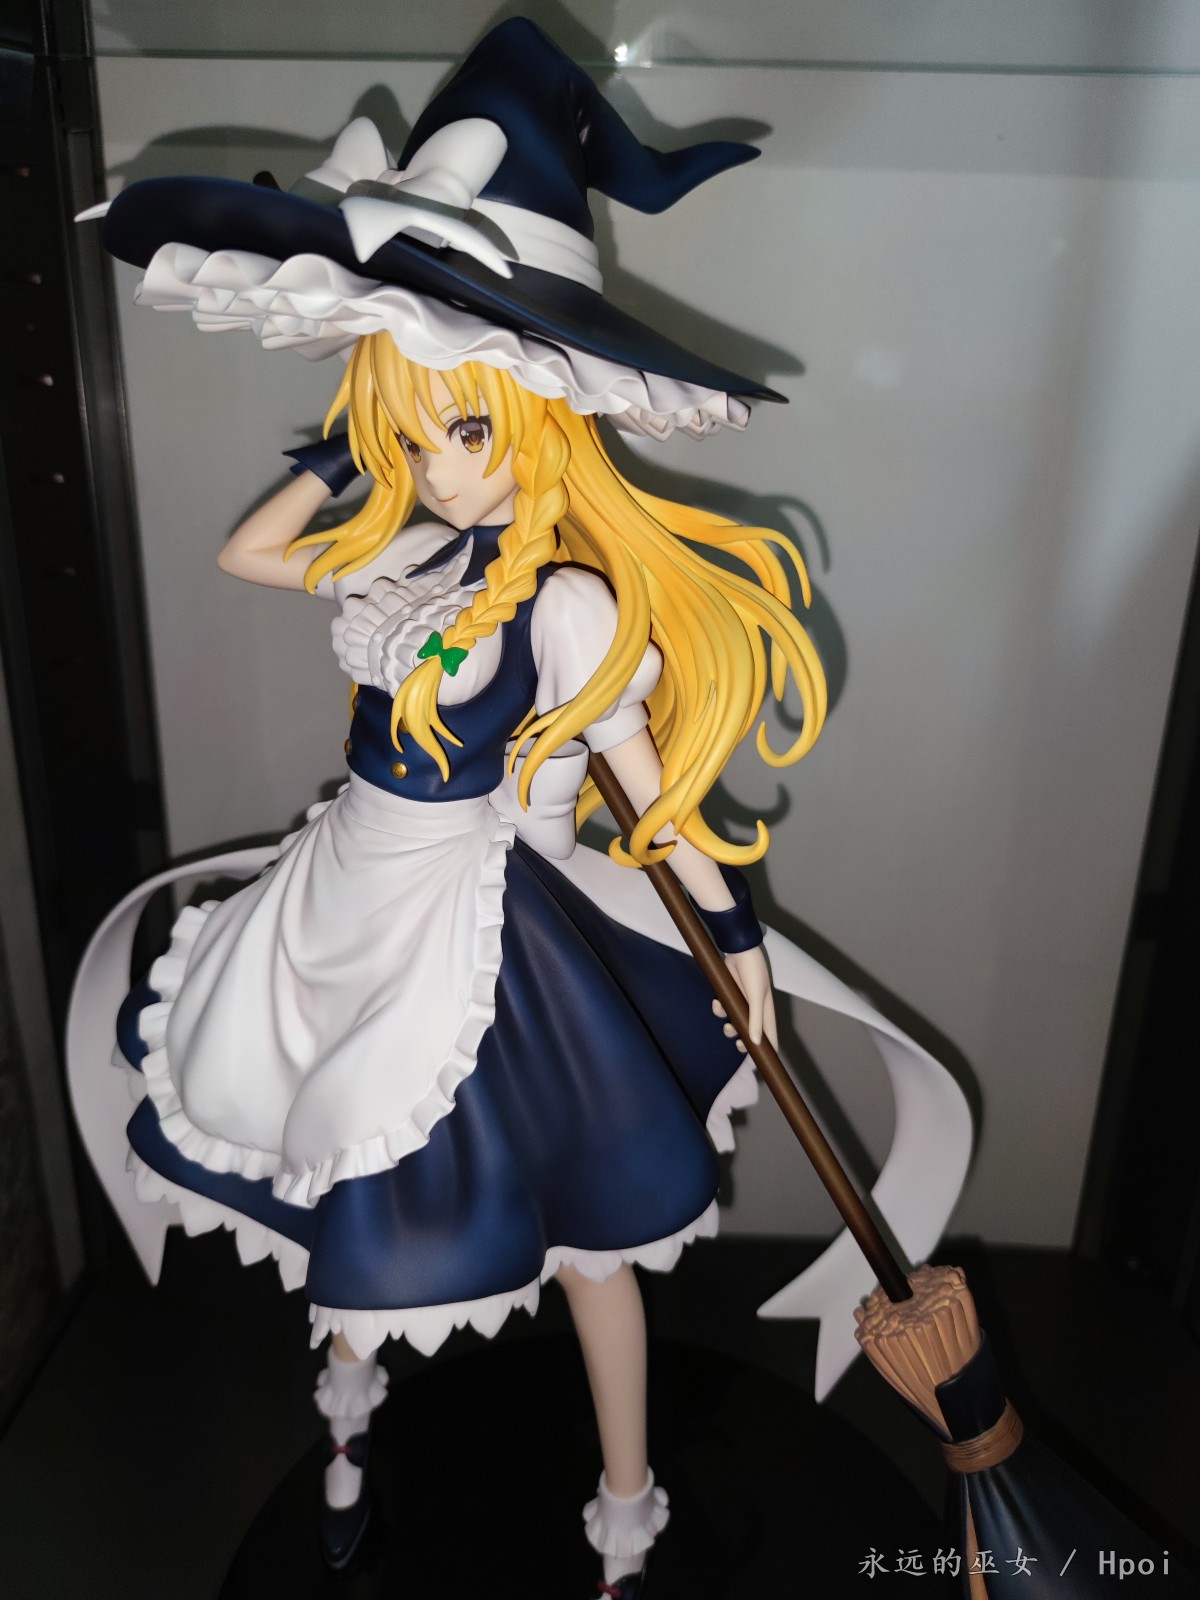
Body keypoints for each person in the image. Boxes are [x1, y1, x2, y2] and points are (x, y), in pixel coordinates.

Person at [71, 18, 847, 1592]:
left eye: (465, 429)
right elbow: (249, 555)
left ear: (544, 413)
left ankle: (626, 1499)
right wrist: (354, 440)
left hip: (480, 926)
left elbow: (656, 800)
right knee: (336, 1176)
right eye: (414, 435)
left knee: (588, 1243)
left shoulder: (567, 603)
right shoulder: (410, 552)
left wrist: (738, 943)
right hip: (344, 891)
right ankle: (346, 1431)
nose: (437, 466)